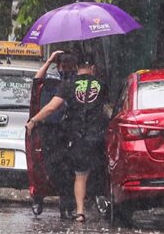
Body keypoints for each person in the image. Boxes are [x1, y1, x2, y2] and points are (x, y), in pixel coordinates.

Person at [26, 53, 109, 223]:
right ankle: (97, 204)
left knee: (79, 174)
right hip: (96, 136)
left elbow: (50, 107)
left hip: (76, 135)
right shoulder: (102, 85)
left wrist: (34, 120)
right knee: (95, 172)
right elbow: (107, 108)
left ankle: (79, 212)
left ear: (77, 67)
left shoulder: (68, 85)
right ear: (93, 68)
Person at [32, 50, 79, 219]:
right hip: (49, 130)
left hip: (69, 132)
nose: (66, 69)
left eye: (69, 66)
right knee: (50, 168)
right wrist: (49, 60)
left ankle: (67, 205)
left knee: (68, 170)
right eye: (63, 66)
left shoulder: (76, 83)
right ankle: (42, 197)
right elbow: (37, 81)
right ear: (58, 66)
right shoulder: (51, 81)